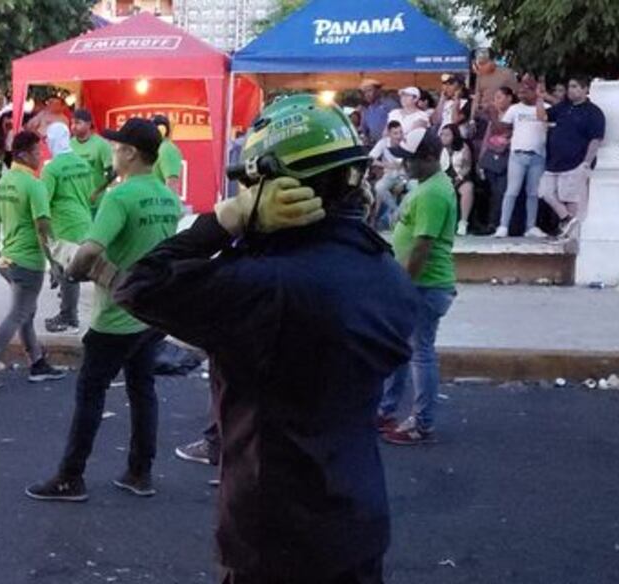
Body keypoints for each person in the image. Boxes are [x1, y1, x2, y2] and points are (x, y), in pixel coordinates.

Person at [113, 94, 419, 583]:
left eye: (253, 184)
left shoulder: (266, 286)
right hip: (357, 525)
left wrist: (231, 217)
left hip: (274, 539)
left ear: (281, 190)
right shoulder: (383, 272)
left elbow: (138, 284)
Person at [25, 117, 182, 503]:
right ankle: (140, 472)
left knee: (90, 396)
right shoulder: (166, 197)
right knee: (143, 391)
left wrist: (73, 271)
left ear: (130, 153)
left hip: (114, 318)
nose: (112, 151)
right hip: (149, 313)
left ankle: (70, 476)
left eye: (116, 147)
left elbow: (92, 250)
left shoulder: (120, 197)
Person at [0, 131, 66, 389]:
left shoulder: (5, 181)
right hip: (28, 262)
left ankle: (37, 363)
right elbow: (43, 227)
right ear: (22, 154)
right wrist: (54, 262)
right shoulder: (34, 185)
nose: (41, 156)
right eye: (36, 152)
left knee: (26, 313)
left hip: (7, 259)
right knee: (18, 314)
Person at [379, 127, 458, 446]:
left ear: (428, 158)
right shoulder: (430, 186)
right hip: (424, 284)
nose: (405, 166)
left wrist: (404, 285)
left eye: (410, 160)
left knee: (420, 353)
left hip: (424, 285)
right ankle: (387, 411)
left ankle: (421, 423)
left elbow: (423, 245)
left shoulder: (432, 194)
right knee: (401, 350)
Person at [40, 122, 95, 334]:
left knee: (68, 275)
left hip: (65, 228)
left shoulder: (51, 169)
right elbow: (89, 194)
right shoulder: (83, 164)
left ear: (53, 141)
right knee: (75, 272)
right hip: (85, 224)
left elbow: (43, 203)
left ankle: (68, 317)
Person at [539, 75, 605, 239]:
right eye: (570, 86)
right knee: (545, 192)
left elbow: (596, 139)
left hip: (576, 161)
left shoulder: (594, 112)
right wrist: (539, 98)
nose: (571, 90)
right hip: (554, 161)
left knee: (570, 197)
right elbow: (542, 116)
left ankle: (571, 234)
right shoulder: (563, 107)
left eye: (575, 86)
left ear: (585, 89)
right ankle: (567, 219)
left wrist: (587, 163)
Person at [495, 81, 550, 238]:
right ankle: (503, 225)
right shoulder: (514, 109)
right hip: (517, 155)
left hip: (538, 155)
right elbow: (503, 126)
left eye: (526, 91)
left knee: (533, 193)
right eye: (520, 92)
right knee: (512, 191)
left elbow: (546, 121)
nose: (522, 94)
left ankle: (530, 226)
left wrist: (541, 99)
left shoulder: (545, 107)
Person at [479, 87, 517, 233]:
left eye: (500, 97)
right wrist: (481, 159)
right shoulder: (494, 117)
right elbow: (486, 138)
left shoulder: (514, 114)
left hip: (508, 157)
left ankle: (501, 223)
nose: (496, 101)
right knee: (493, 191)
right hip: (491, 158)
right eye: (495, 98)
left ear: (509, 98)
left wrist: (506, 142)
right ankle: (492, 222)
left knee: (502, 190)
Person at [69, 109, 114, 209]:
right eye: (72, 123)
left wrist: (97, 192)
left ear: (89, 124)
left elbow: (112, 173)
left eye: (78, 123)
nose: (73, 126)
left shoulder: (101, 144)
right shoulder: (69, 145)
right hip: (76, 203)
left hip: (97, 203)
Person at [369, 120, 408, 230]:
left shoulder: (407, 143)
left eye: (400, 132)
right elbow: (370, 159)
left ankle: (399, 216)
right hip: (390, 175)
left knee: (414, 187)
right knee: (379, 187)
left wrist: (404, 179)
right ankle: (397, 212)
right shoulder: (383, 143)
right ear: (389, 134)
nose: (399, 136)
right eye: (395, 133)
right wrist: (385, 164)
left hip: (407, 176)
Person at [440, 125, 476, 236]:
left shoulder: (463, 147)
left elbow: (467, 166)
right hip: (443, 177)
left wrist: (459, 177)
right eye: (442, 134)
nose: (444, 137)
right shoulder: (437, 148)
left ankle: (463, 223)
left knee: (468, 189)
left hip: (460, 176)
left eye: (447, 135)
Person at [151, 114, 184, 198]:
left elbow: (172, 183)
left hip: (158, 207)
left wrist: (168, 209)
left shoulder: (167, 149)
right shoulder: (154, 149)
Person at [359, 78, 400, 144]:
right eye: (365, 92)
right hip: (374, 146)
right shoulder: (367, 111)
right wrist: (364, 137)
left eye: (369, 90)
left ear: (378, 91)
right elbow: (364, 130)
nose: (367, 94)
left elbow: (400, 123)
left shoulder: (389, 104)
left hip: (391, 144)